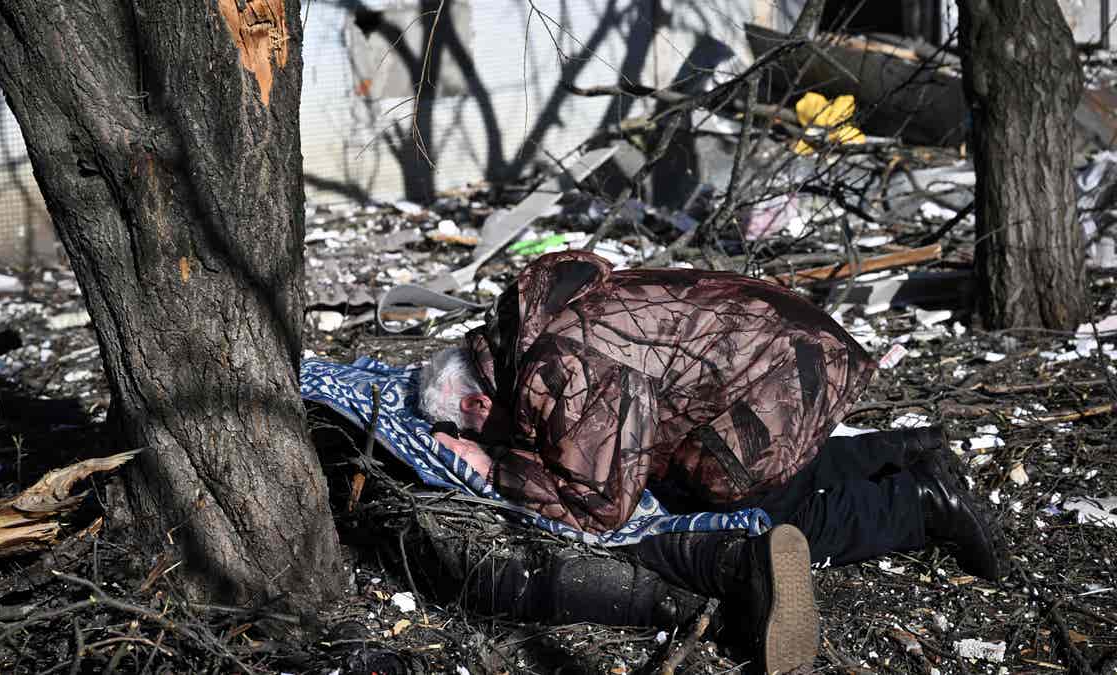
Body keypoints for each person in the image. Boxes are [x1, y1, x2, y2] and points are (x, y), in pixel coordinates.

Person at [418, 251, 1008, 674]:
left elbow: (600, 508)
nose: (482, 436)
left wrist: (496, 470)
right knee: (707, 469)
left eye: (471, 427)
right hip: (790, 348)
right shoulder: (534, 324)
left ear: (476, 401)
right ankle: (902, 452)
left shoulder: (557, 367)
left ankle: (916, 505)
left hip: (785, 375)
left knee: (753, 507)